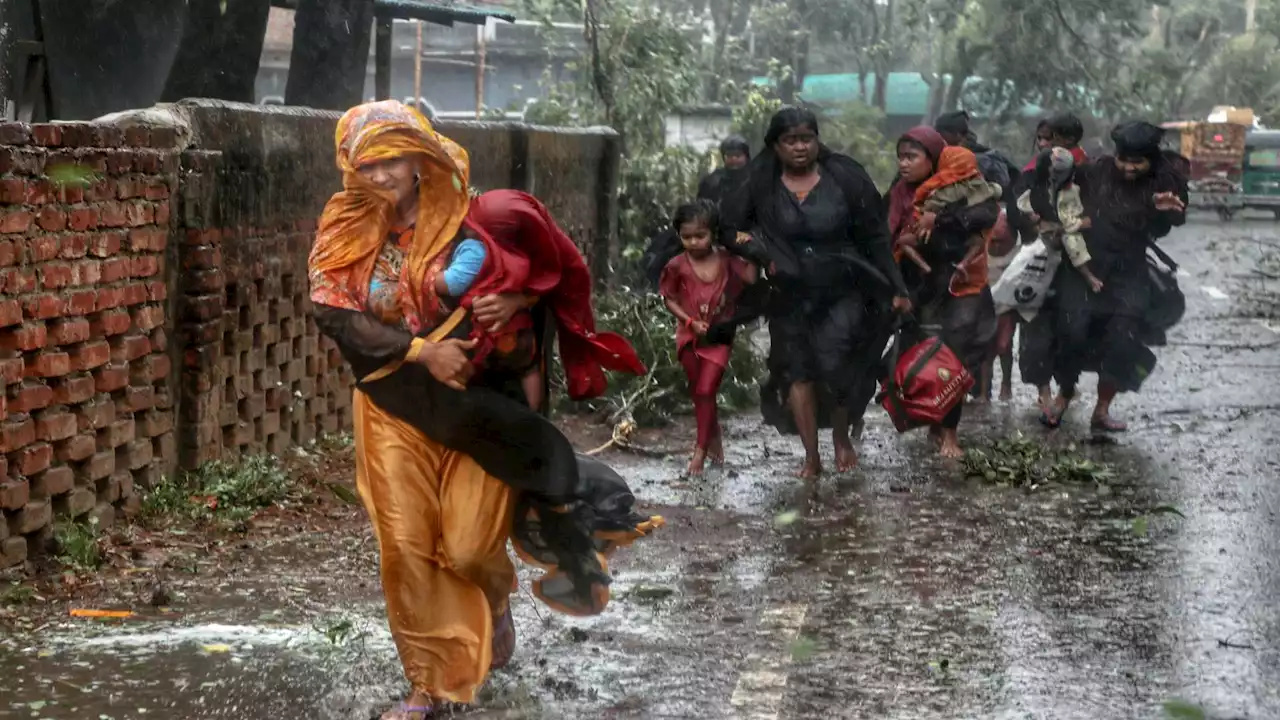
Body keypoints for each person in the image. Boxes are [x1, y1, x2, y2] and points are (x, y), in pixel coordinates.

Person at [308, 100, 662, 719]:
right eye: (366, 164)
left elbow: (541, 290)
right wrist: (421, 351)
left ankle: (495, 602)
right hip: (393, 406)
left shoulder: (473, 223)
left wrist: (515, 302)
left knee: (470, 549)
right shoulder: (344, 225)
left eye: (392, 160)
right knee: (405, 549)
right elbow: (333, 313)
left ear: (422, 160)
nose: (380, 175)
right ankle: (429, 686)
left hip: (478, 411)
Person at [722, 106, 911, 478]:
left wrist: (897, 287)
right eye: (790, 140)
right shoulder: (761, 183)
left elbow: (874, 236)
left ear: (817, 140)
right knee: (797, 371)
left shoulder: (844, 177)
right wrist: (758, 250)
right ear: (775, 146)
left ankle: (841, 437)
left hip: (844, 286)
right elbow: (727, 228)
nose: (799, 147)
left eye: (806, 138)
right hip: (789, 292)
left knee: (836, 365)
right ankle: (811, 456)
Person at [1041, 120, 1187, 430]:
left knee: (1123, 337)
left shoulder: (1166, 179)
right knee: (1072, 331)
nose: (1129, 168)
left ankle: (1102, 408)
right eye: (1124, 160)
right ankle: (1064, 393)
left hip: (1130, 269)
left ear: (1152, 159)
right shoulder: (1096, 171)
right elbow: (1071, 199)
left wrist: (1165, 211)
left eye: (1138, 162)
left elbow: (1172, 221)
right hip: (1084, 265)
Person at [466, 189, 648, 407]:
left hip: (542, 303)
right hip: (496, 325)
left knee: (530, 364)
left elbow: (553, 277)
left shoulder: (539, 241)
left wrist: (518, 300)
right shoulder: (476, 227)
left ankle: (535, 423)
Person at [889, 126, 999, 457]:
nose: (904, 164)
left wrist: (939, 220)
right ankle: (930, 420)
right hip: (921, 286)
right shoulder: (899, 193)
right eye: (900, 157)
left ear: (933, 158)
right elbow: (887, 235)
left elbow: (987, 212)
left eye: (912, 157)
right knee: (921, 355)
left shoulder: (959, 183)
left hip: (961, 282)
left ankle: (950, 433)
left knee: (955, 357)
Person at [659, 200, 757, 476]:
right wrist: (688, 321)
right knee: (700, 393)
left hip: (719, 334)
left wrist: (750, 248)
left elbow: (749, 277)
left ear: (713, 233)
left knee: (705, 390)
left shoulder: (727, 259)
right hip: (688, 336)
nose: (693, 242)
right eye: (686, 237)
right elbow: (668, 298)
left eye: (700, 236)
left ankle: (699, 453)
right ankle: (714, 442)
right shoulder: (676, 265)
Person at [642, 135, 753, 287]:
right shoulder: (713, 180)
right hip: (711, 226)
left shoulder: (756, 180)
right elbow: (701, 206)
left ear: (746, 157)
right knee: (666, 243)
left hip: (743, 230)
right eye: (729, 156)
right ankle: (656, 287)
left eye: (738, 156)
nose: (733, 160)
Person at [1017, 147, 1104, 293]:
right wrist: (1033, 218)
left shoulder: (1074, 189)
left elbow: (1083, 217)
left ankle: (1089, 276)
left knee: (1072, 243)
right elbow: (1024, 205)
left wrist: (1072, 225)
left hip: (1071, 228)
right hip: (1045, 233)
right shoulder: (1038, 190)